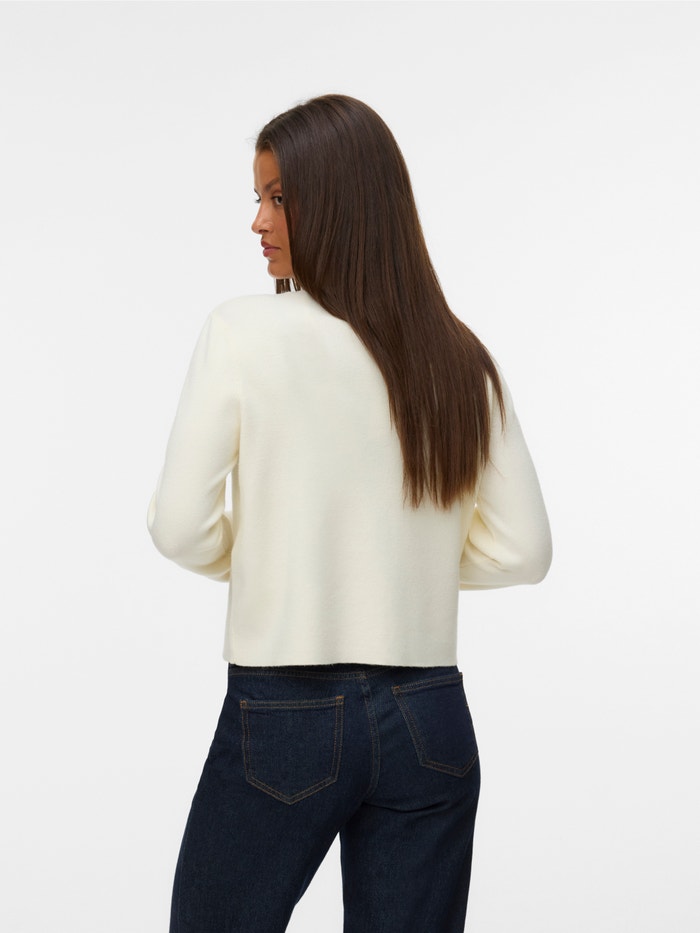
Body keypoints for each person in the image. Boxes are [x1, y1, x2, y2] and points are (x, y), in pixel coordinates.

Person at [148, 94, 552, 933]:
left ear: (339, 201)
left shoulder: (242, 333)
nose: (258, 221)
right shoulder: (459, 356)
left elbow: (180, 524)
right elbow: (525, 550)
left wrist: (278, 558)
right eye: (258, 197)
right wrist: (404, 566)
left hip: (286, 709)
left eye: (278, 197)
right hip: (430, 718)